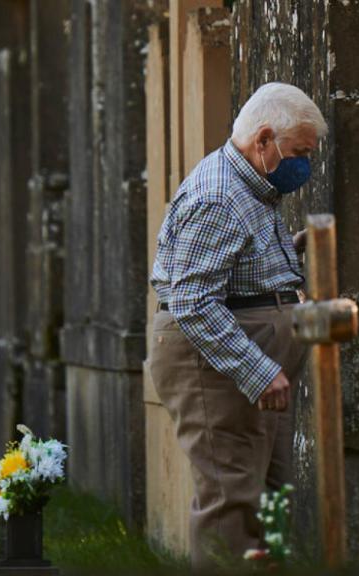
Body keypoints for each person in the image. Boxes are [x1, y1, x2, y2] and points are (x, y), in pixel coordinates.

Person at [148, 82, 328, 571]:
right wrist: (257, 370)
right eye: (299, 152)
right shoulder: (220, 195)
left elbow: (230, 269)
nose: (304, 165)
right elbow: (192, 298)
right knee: (232, 498)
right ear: (264, 139)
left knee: (265, 498)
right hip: (217, 364)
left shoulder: (251, 184)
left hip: (248, 354)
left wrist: (283, 256)